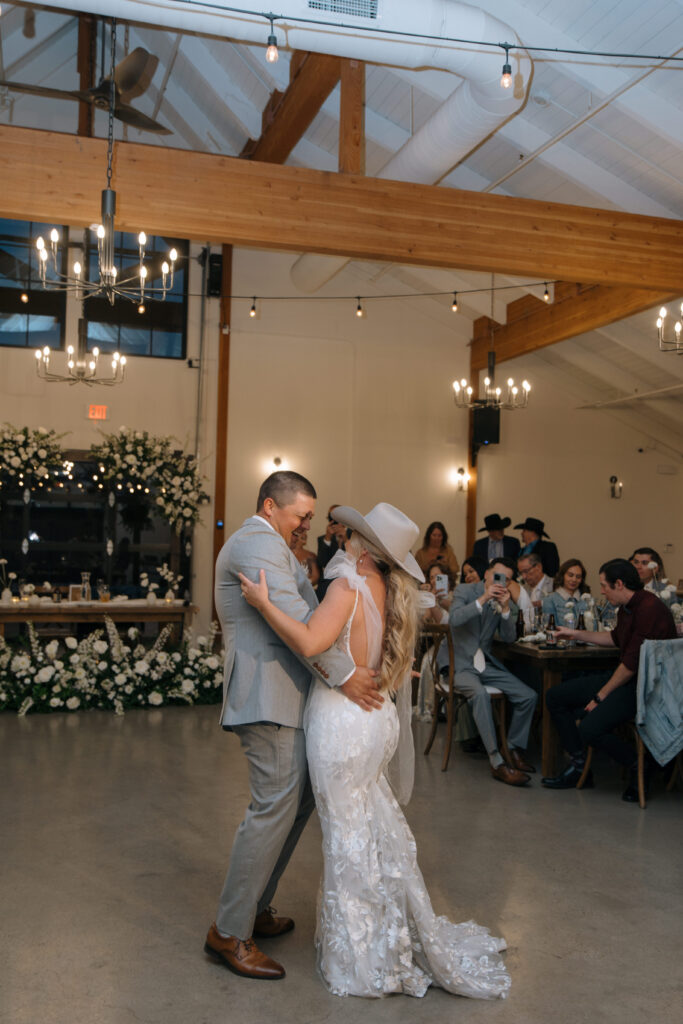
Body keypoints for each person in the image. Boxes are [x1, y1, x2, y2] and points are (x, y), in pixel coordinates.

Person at [239, 502, 510, 999]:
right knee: (371, 827)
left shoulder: (348, 586)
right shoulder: (392, 590)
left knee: (347, 837)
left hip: (343, 723)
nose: (343, 538)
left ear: (364, 549)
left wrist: (262, 603)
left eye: (351, 535)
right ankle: (390, 935)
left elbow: (308, 640)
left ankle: (364, 957)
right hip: (376, 718)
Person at [205, 472, 381, 981]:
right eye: (302, 514)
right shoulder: (256, 544)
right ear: (269, 505)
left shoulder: (277, 544)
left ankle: (255, 906)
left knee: (297, 802)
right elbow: (301, 628)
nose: (309, 524)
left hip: (290, 696)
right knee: (271, 809)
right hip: (268, 696)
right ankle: (229, 932)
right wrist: (347, 678)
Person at [541, 558, 676, 801]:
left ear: (619, 584)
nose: (601, 590)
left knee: (590, 727)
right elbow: (614, 638)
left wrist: (600, 695)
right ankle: (580, 765)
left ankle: (640, 765)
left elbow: (631, 665)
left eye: (605, 585)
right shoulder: (628, 607)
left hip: (645, 687)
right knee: (555, 696)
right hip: (627, 678)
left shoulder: (649, 608)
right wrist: (575, 633)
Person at [442, 557, 538, 786]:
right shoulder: (466, 590)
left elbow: (508, 638)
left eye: (505, 579)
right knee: (481, 695)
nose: (500, 582)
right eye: (497, 576)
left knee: (528, 695)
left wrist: (505, 610)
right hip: (460, 663)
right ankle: (496, 762)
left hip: (485, 663)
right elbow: (454, 620)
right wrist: (484, 598)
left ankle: (512, 748)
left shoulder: (503, 598)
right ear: (486, 574)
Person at [542, 559, 589, 626]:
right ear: (562, 575)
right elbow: (551, 628)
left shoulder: (586, 599)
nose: (574, 579)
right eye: (570, 575)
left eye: (578, 577)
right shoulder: (550, 600)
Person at [514, 552, 553, 629]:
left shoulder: (554, 585)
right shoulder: (522, 589)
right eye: (521, 573)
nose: (523, 577)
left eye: (526, 571)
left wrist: (539, 604)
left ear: (538, 567)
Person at [316, 504, 346, 570]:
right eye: (331, 517)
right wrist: (327, 538)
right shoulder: (323, 539)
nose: (334, 521)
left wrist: (345, 539)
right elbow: (322, 563)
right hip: (330, 578)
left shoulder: (353, 535)